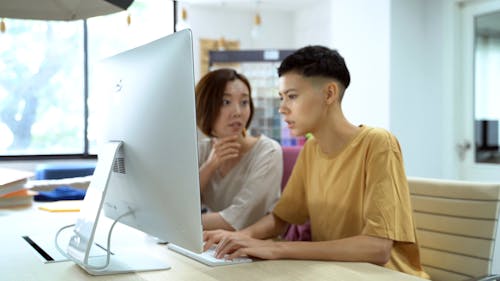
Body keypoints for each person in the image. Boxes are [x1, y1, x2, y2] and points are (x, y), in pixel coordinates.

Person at [203, 47, 429, 279]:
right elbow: (281, 219)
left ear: (329, 94)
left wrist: (277, 248)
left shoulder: (378, 143)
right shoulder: (311, 149)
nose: (282, 108)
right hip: (336, 274)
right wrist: (243, 237)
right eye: (282, 98)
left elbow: (377, 248)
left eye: (292, 96)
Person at [195, 68, 283, 231]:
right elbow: (181, 207)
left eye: (244, 102)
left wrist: (181, 223)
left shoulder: (268, 152)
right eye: (225, 102)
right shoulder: (202, 150)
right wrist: (209, 167)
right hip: (215, 245)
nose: (238, 112)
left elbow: (237, 218)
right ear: (205, 107)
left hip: (256, 250)